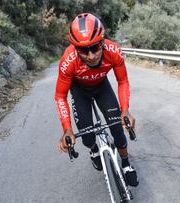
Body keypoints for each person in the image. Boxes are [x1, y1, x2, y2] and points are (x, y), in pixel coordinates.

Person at [54, 13, 138, 187]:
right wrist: (67, 129)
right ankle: (93, 150)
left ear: (103, 41)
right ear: (75, 48)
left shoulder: (113, 51)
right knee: (87, 136)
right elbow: (60, 96)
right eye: (84, 50)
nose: (91, 56)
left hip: (102, 87)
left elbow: (122, 81)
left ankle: (126, 163)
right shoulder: (67, 62)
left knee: (118, 129)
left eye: (95, 47)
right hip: (79, 91)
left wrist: (125, 110)